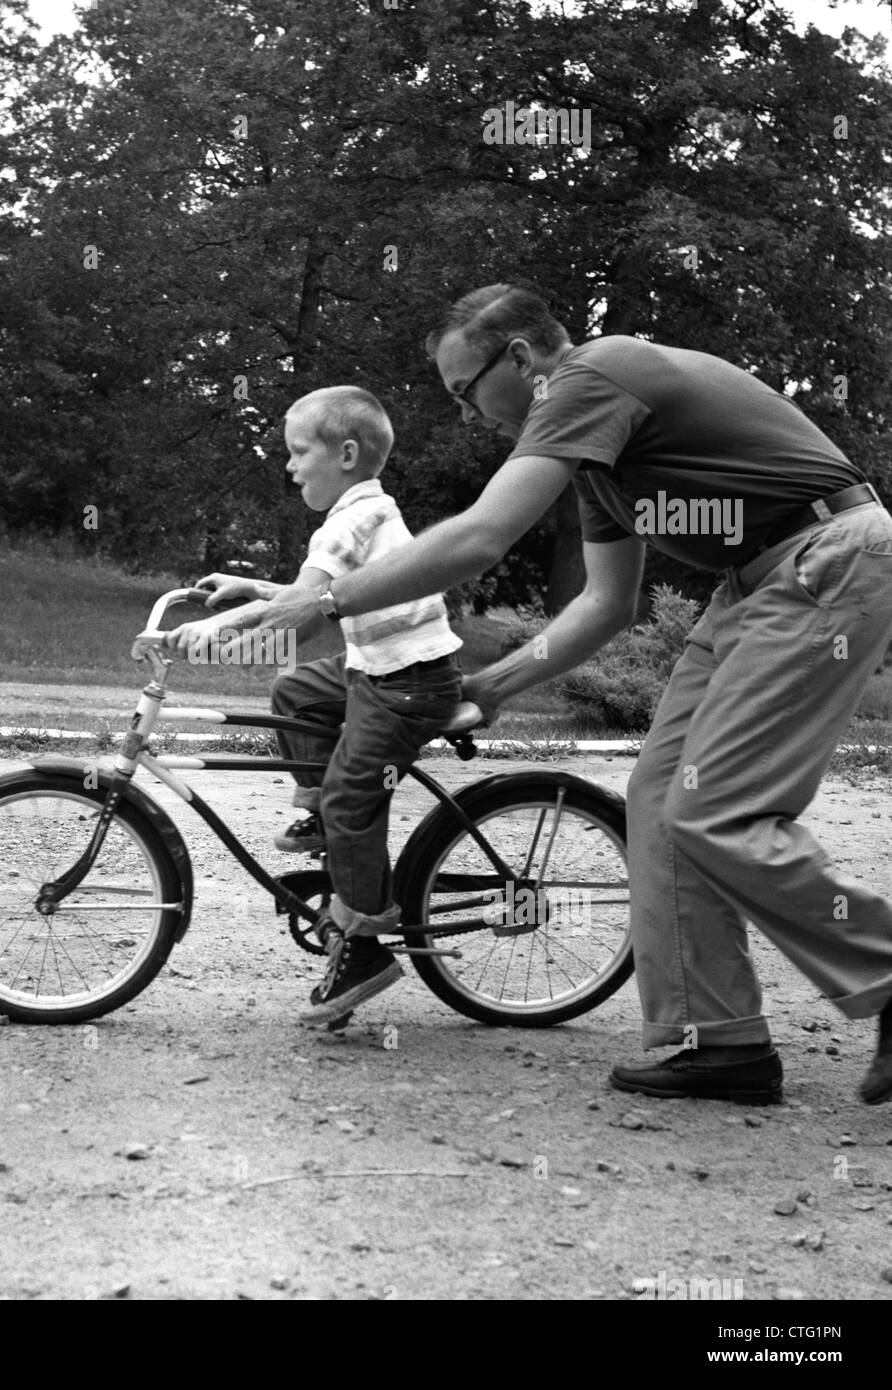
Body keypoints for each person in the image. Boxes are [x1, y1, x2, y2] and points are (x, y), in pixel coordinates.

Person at [259, 283, 892, 1105]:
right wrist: (492, 686)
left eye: (466, 391)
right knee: (663, 799)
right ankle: (715, 1040)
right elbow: (607, 605)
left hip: (829, 558)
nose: (466, 413)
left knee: (719, 808)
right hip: (756, 583)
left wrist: (324, 599)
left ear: (519, 359)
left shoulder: (596, 375)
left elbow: (484, 534)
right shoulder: (603, 466)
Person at [163, 385, 461, 1025]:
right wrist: (251, 588)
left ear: (346, 453)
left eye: (299, 452)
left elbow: (298, 621)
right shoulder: (364, 513)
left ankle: (363, 949)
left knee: (354, 797)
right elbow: (318, 599)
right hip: (379, 670)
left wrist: (224, 628)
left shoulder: (353, 519)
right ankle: (323, 818)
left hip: (405, 685)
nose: (290, 465)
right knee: (295, 690)